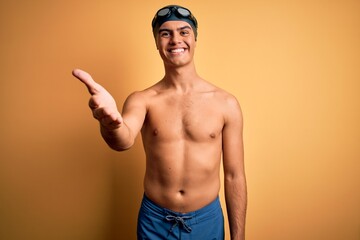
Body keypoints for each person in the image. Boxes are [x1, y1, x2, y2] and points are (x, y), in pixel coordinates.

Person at [73, 5, 247, 240]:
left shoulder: (226, 103)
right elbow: (122, 140)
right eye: (165, 33)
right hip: (155, 221)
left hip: (207, 220)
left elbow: (234, 176)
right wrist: (110, 124)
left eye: (184, 32)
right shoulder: (143, 100)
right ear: (156, 42)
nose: (176, 40)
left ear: (195, 39)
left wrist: (239, 237)